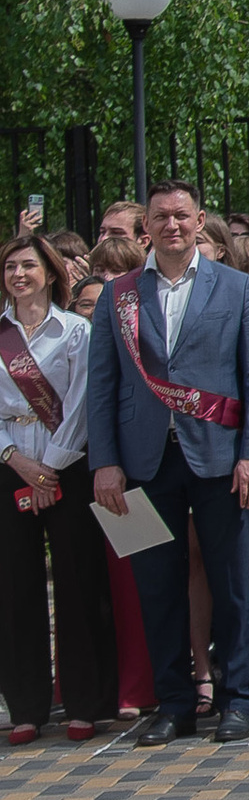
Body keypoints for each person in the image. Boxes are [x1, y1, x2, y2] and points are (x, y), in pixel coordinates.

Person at [86, 180, 249, 748]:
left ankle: (237, 700)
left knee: (233, 584)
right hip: (143, 463)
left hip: (220, 459)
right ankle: (174, 704)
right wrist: (106, 463)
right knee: (156, 586)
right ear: (146, 227)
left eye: (182, 216)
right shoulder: (118, 294)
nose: (172, 225)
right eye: (161, 217)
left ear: (199, 222)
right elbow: (102, 386)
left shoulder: (237, 288)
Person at [0, 230, 115, 743]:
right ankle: (25, 706)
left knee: (76, 584)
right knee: (14, 587)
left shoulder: (75, 332)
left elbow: (84, 403)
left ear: (49, 272)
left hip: (64, 466)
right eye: (10, 268)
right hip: (9, 467)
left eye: (27, 265)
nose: (18, 275)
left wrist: (49, 466)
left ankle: (84, 703)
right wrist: (16, 459)